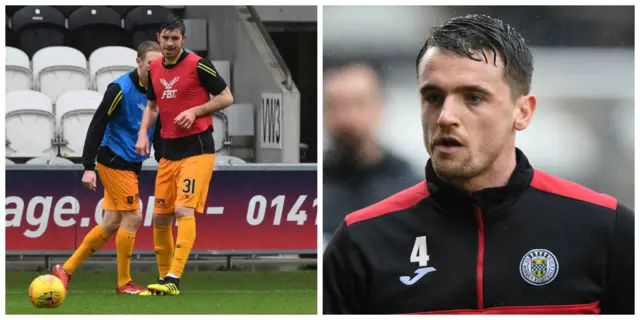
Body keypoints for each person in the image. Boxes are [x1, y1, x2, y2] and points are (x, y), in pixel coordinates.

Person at [323, 14, 634, 315]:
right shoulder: (360, 241)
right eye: (433, 97)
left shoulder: (609, 230)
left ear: (522, 112)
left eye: (472, 97)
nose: (445, 116)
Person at [51, 41, 164, 295]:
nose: (156, 68)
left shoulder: (159, 90)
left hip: (131, 163)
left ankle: (64, 269)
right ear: (139, 62)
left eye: (160, 64)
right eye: (151, 64)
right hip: (113, 160)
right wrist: (88, 166)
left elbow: (155, 129)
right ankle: (124, 283)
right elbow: (97, 124)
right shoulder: (120, 89)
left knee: (112, 222)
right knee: (133, 216)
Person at [136, 15, 234, 296]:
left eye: (175, 39)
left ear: (183, 40)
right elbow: (152, 106)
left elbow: (227, 97)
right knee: (161, 217)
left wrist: (196, 110)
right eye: (165, 38)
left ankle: (174, 278)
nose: (169, 43)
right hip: (168, 151)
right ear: (159, 38)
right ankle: (163, 278)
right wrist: (143, 133)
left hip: (197, 149)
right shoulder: (153, 67)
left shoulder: (198, 65)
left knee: (183, 210)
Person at [323, 63, 421, 248]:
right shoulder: (311, 190)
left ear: (381, 107)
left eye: (359, 103)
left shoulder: (412, 188)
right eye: (334, 105)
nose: (347, 118)